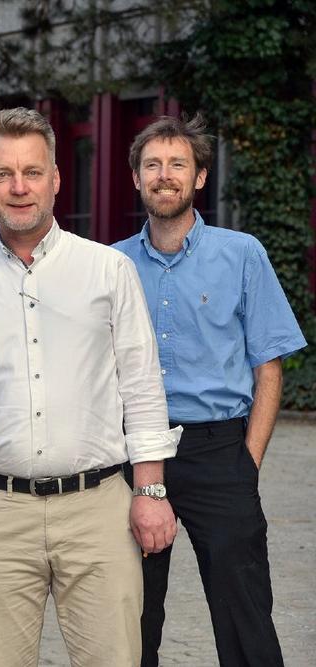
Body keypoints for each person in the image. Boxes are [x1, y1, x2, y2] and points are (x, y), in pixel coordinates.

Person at [0, 107, 183, 666]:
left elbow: (142, 390)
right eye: (4, 174)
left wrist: (150, 493)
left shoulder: (108, 271)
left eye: (32, 172)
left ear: (56, 179)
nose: (19, 187)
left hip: (99, 513)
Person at [114, 114, 306, 667]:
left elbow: (268, 366)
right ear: (136, 178)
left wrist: (246, 464)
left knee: (245, 617)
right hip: (133, 451)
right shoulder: (112, 264)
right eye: (153, 165)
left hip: (220, 453)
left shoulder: (242, 254)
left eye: (178, 164)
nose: (165, 175)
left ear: (199, 177)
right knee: (130, 620)